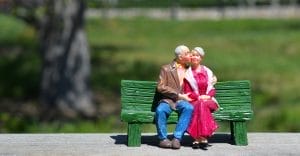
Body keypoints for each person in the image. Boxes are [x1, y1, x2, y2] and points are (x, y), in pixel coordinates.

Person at [155, 45, 194, 149]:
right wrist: (177, 95)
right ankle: (162, 139)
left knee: (189, 108)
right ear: (180, 57)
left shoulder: (191, 69)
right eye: (187, 53)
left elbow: (203, 76)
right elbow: (161, 86)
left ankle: (177, 138)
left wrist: (212, 78)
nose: (190, 55)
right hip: (168, 100)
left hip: (183, 101)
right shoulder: (166, 69)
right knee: (160, 110)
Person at [183, 47, 219, 150]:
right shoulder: (187, 74)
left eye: (197, 55)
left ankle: (197, 138)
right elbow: (187, 91)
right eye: (193, 55)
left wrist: (208, 96)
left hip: (209, 100)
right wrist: (198, 97)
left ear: (201, 58)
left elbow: (212, 88)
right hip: (194, 101)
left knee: (202, 104)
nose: (195, 57)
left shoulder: (207, 71)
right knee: (200, 105)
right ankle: (202, 138)